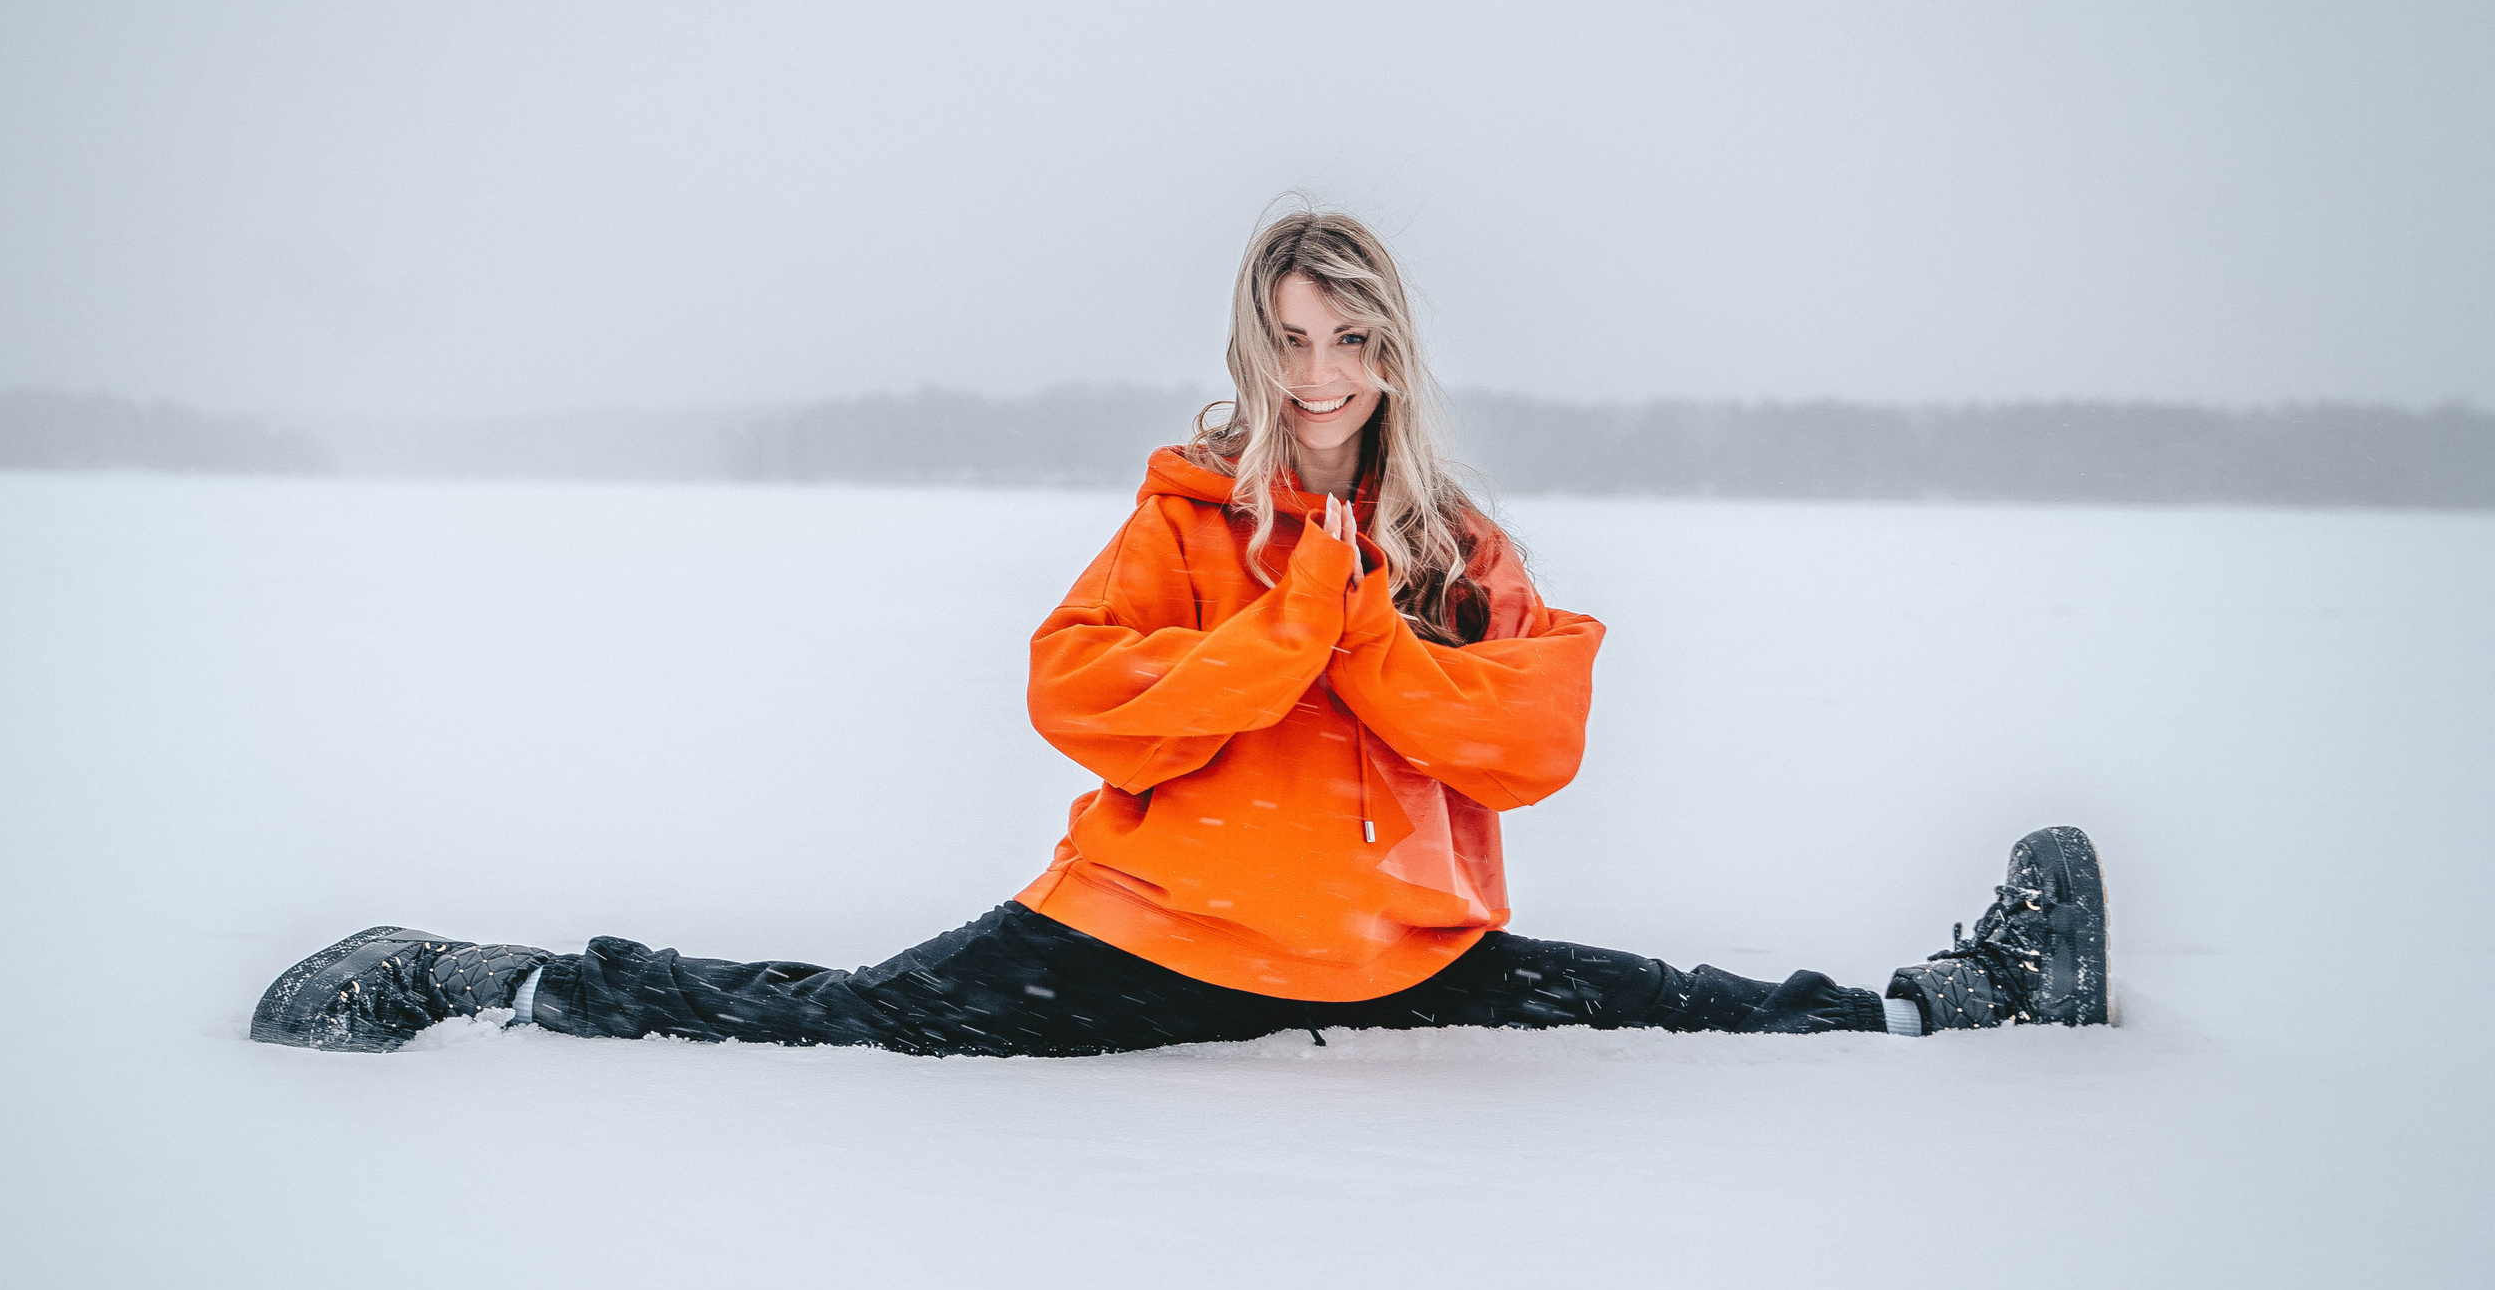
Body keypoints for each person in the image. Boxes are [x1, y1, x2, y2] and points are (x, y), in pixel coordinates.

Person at [250, 208, 2109, 1057]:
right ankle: (485, 978)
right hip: (1143, 943)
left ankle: (1965, 997)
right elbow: (1082, 701)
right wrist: (1294, 611)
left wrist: (1369, 631)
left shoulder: (1457, 543)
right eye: (1290, 338)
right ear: (1253, 344)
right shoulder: (1187, 516)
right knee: (831, 1020)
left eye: (1352, 339)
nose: (1319, 375)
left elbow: (1531, 740)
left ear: (1393, 355)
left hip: (1392, 960)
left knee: (1692, 1008)